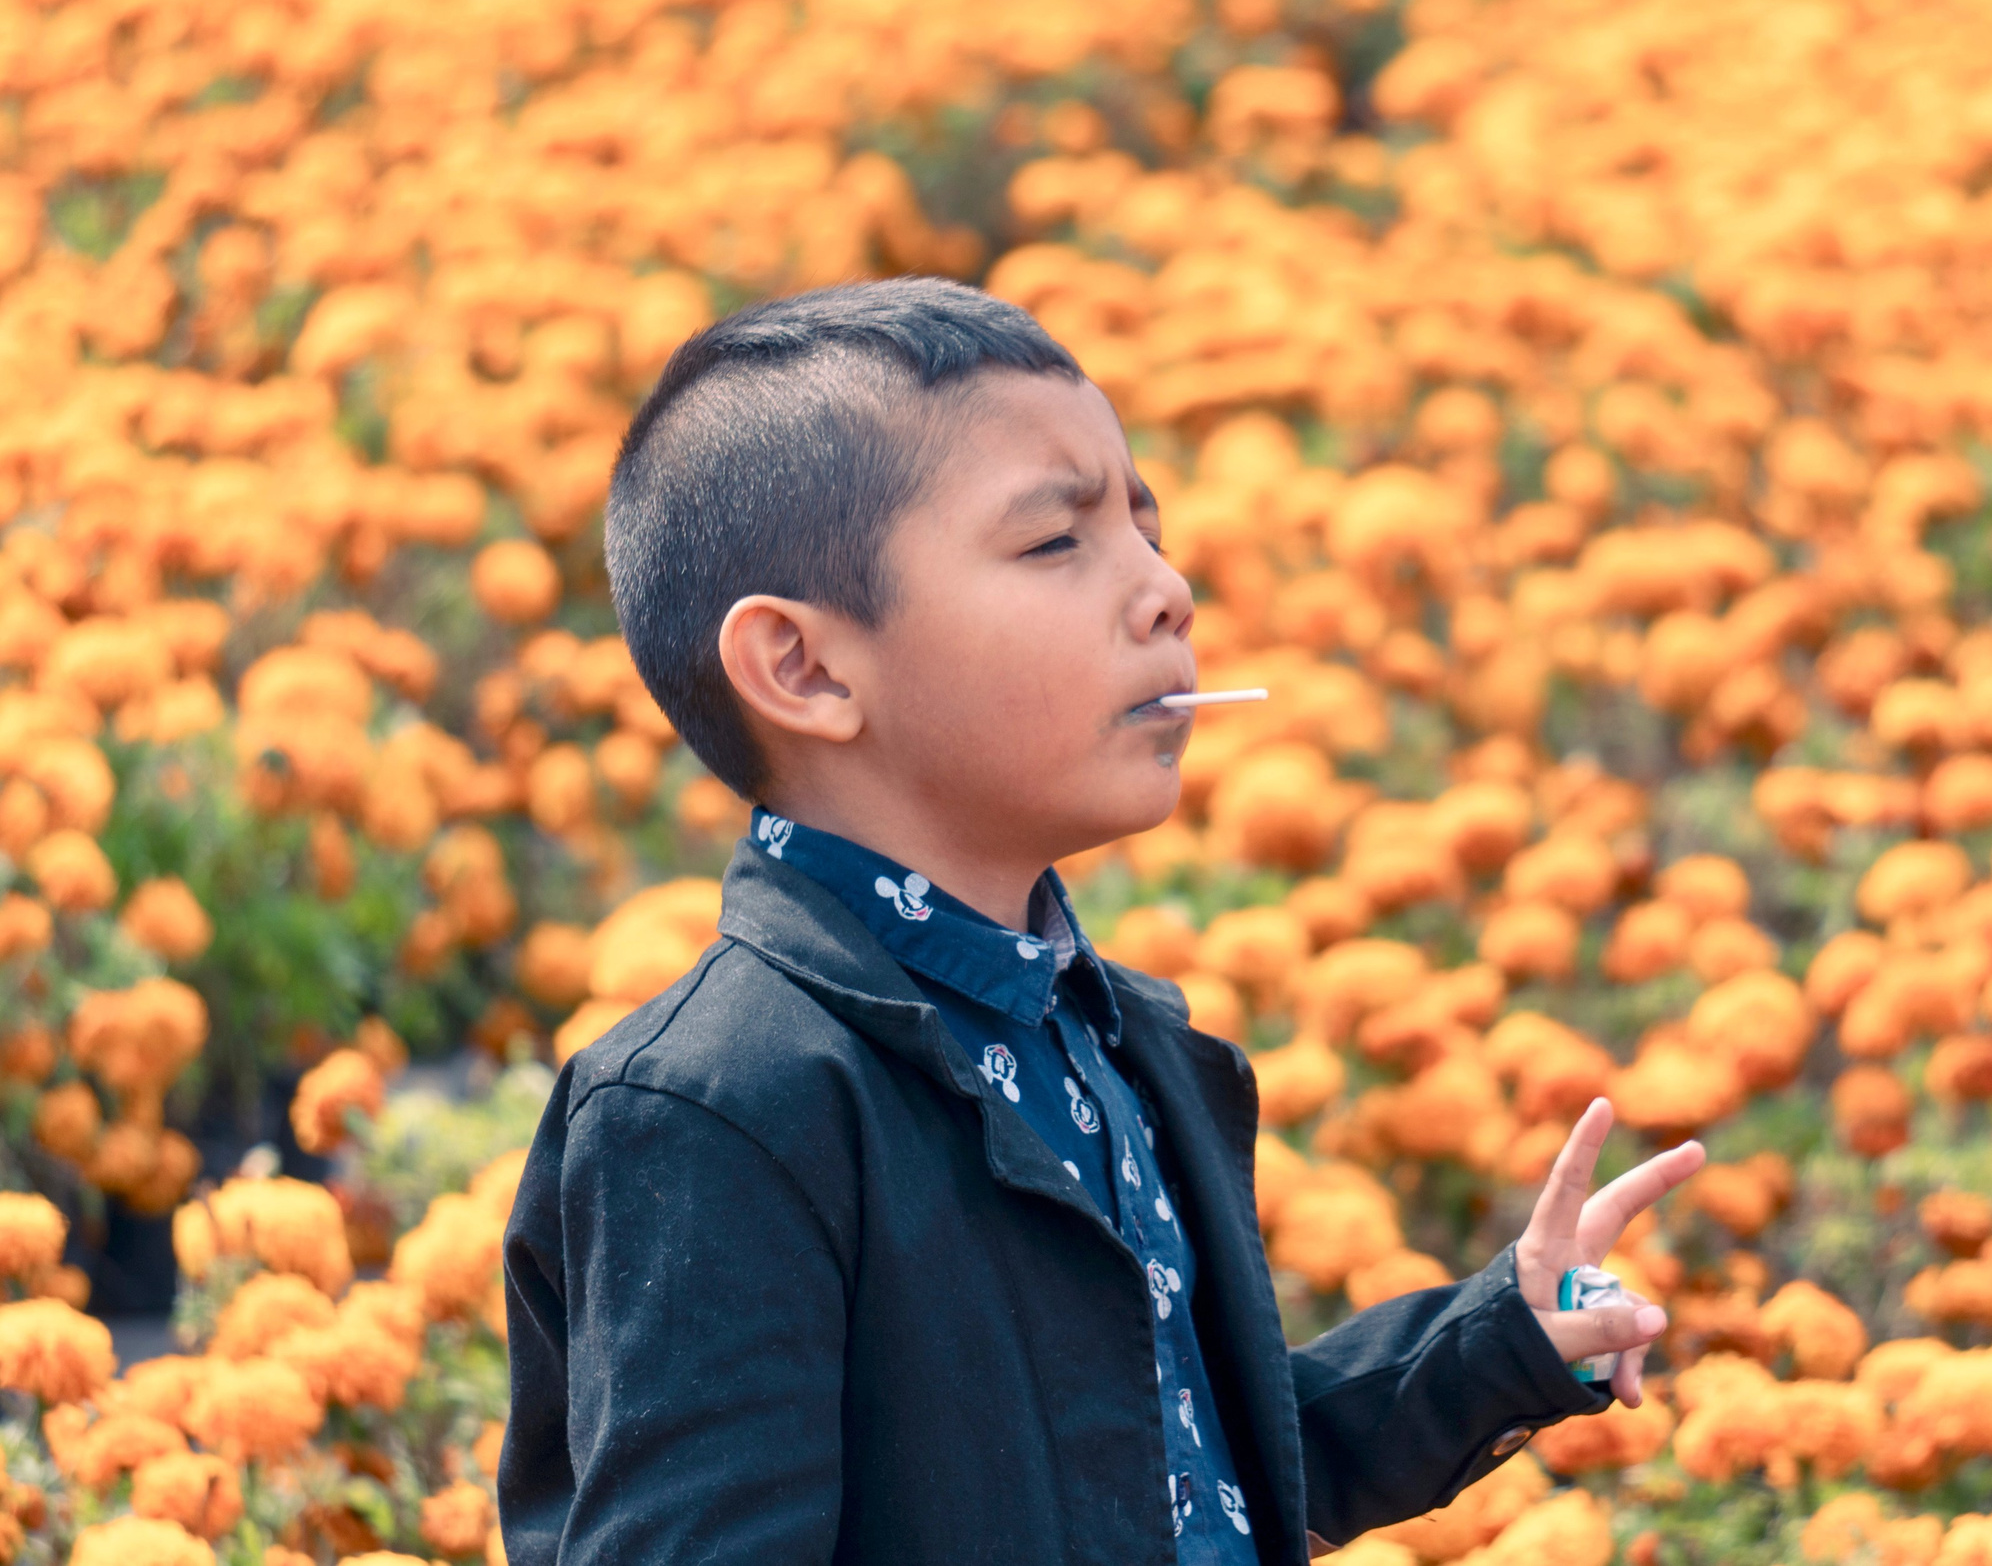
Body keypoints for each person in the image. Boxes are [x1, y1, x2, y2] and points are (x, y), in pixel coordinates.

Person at [498, 277, 1704, 1565]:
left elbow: (1185, 1470)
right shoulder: (722, 1107)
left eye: (1147, 528)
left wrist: (1498, 1342)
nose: (1167, 593)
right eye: (1055, 543)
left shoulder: (1116, 1040)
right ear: (805, 667)